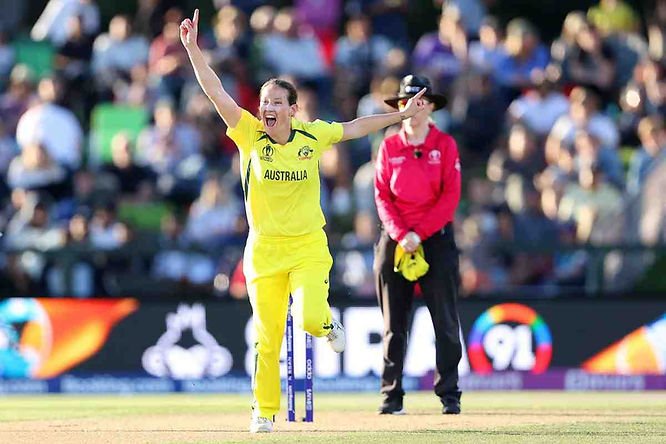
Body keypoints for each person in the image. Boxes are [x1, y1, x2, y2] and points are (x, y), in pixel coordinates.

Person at [179, 9, 428, 433]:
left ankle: (328, 327)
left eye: (277, 102)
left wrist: (401, 116)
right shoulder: (249, 134)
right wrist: (192, 49)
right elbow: (217, 92)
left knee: (312, 318)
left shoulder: (313, 135)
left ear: (293, 110)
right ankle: (264, 410)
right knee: (267, 336)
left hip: (309, 246)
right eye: (265, 102)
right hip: (263, 251)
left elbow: (356, 127)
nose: (268, 108)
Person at [374, 74, 463, 415]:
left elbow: (450, 197)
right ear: (400, 107)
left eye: (420, 101)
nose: (413, 107)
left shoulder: (445, 144)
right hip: (395, 239)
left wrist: (419, 233)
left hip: (435, 239)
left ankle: (449, 394)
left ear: (429, 106)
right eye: (407, 102)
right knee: (393, 325)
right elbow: (382, 195)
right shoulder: (389, 145)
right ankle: (391, 395)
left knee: (445, 321)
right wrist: (401, 234)